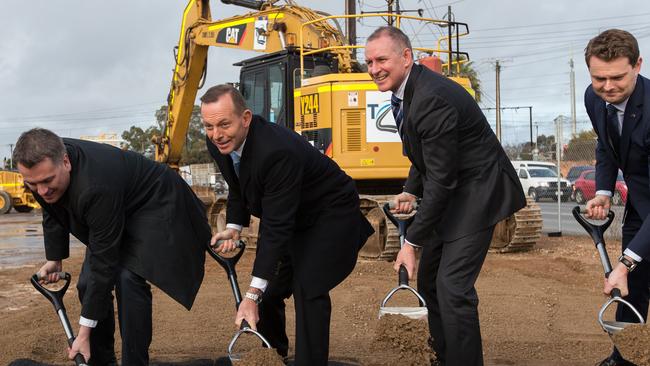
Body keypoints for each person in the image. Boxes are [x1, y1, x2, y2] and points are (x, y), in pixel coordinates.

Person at [365, 26, 526, 365]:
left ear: (406, 57)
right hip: (455, 189)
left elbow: (440, 179)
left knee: (453, 287)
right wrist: (410, 189)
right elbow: (425, 156)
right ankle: (444, 356)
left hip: (479, 192)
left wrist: (411, 245)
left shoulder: (431, 97)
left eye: (381, 59)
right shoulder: (408, 91)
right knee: (430, 280)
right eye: (368, 61)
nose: (374, 68)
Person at [201, 84, 373, 365]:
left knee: (308, 285)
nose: (216, 134)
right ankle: (271, 356)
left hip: (329, 213)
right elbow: (237, 184)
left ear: (245, 118)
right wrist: (234, 225)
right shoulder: (218, 142)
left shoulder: (276, 151)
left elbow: (276, 228)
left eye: (223, 124)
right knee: (268, 291)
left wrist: (250, 295)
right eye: (208, 126)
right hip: (291, 214)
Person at [14, 129, 211, 365]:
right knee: (87, 284)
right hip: (115, 204)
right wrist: (55, 258)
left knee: (128, 278)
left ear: (65, 162)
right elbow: (52, 208)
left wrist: (83, 333)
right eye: (32, 184)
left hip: (153, 202)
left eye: (47, 181)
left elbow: (103, 260)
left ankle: (134, 362)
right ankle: (99, 360)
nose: (42, 190)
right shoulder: (42, 171)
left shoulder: (95, 185)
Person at [583, 29, 649, 366]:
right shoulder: (594, 99)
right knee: (631, 286)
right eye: (599, 78)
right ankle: (626, 359)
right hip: (641, 202)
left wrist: (624, 262)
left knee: (627, 269)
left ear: (638, 65)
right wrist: (604, 191)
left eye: (617, 77)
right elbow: (606, 145)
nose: (608, 86)